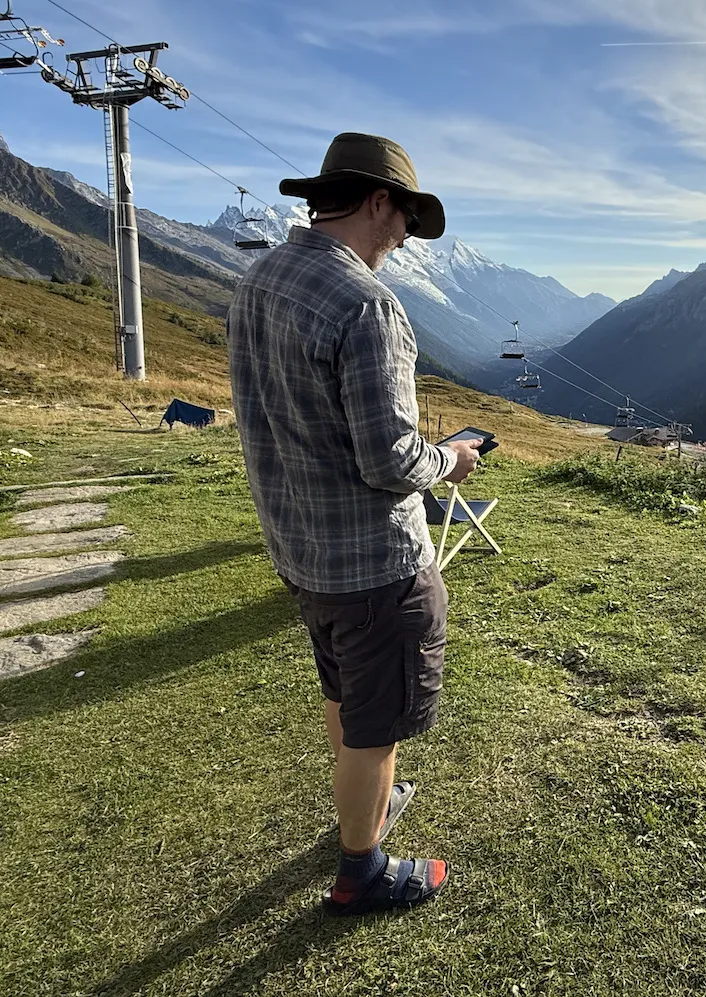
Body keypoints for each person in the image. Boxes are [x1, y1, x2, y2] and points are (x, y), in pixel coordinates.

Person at [228, 132, 482, 914]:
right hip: (375, 563)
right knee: (376, 718)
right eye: (404, 217)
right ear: (378, 202)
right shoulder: (366, 304)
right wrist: (452, 459)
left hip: (302, 549)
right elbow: (391, 460)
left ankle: (365, 804)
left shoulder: (260, 277)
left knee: (346, 692)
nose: (404, 237)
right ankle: (362, 868)